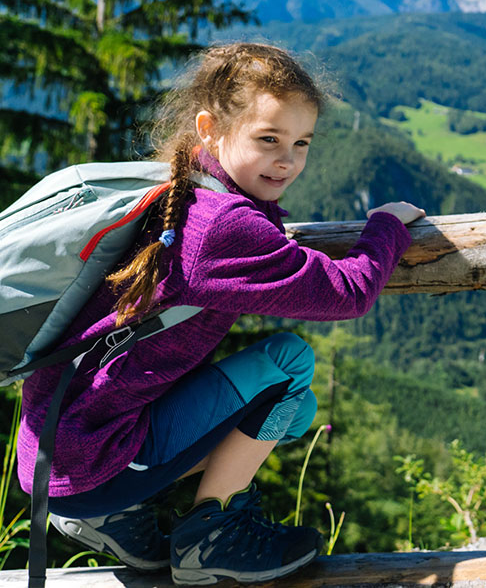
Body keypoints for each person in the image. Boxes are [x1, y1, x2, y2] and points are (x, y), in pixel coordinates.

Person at [16, 43, 425, 585]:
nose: (288, 160)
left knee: (294, 412)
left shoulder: (178, 192)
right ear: (209, 128)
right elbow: (348, 293)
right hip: (94, 458)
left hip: (59, 452)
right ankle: (214, 535)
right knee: (291, 364)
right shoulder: (222, 227)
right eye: (268, 140)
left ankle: (115, 514)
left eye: (301, 142)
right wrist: (385, 226)